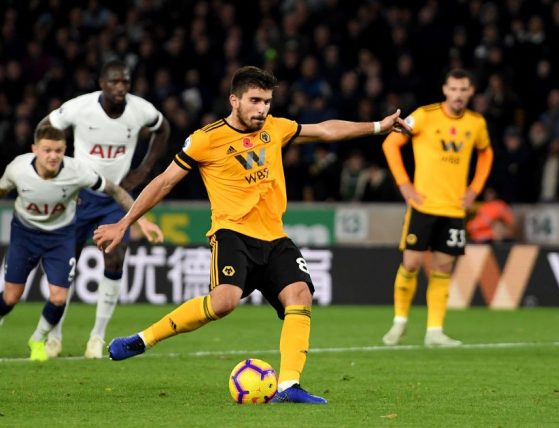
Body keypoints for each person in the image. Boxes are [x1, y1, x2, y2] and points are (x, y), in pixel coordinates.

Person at [93, 66, 408, 404]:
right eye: (255, 101)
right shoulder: (206, 139)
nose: (263, 109)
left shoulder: (276, 127)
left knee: (300, 295)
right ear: (235, 100)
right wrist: (125, 222)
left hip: (274, 236)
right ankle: (143, 340)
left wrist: (377, 126)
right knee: (224, 302)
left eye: (267, 101)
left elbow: (326, 131)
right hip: (232, 234)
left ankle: (289, 386)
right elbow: (164, 182)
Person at [35, 59, 171, 359]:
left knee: (115, 257)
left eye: (125, 81)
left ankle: (97, 337)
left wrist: (145, 169)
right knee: (64, 266)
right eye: (114, 81)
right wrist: (55, 166)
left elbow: (163, 128)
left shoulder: (141, 110)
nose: (120, 87)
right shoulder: (80, 108)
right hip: (77, 195)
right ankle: (55, 336)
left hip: (115, 196)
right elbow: (46, 127)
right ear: (101, 83)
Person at [0, 125, 163, 361]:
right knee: (11, 297)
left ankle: (37, 338)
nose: (53, 156)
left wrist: (141, 221)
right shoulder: (17, 168)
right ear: (35, 149)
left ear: (65, 149)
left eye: (58, 150)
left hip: (60, 236)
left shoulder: (77, 171)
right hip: (25, 235)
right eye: (47, 150)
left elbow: (114, 190)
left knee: (58, 297)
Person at [381, 69, 494, 347]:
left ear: (471, 92)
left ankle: (434, 331)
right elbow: (391, 143)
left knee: (443, 268)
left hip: (454, 209)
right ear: (445, 89)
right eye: (453, 89)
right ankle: (399, 323)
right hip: (424, 205)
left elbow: (486, 153)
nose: (458, 94)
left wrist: (475, 189)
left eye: (463, 89)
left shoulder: (476, 123)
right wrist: (404, 185)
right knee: (411, 264)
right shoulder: (424, 115)